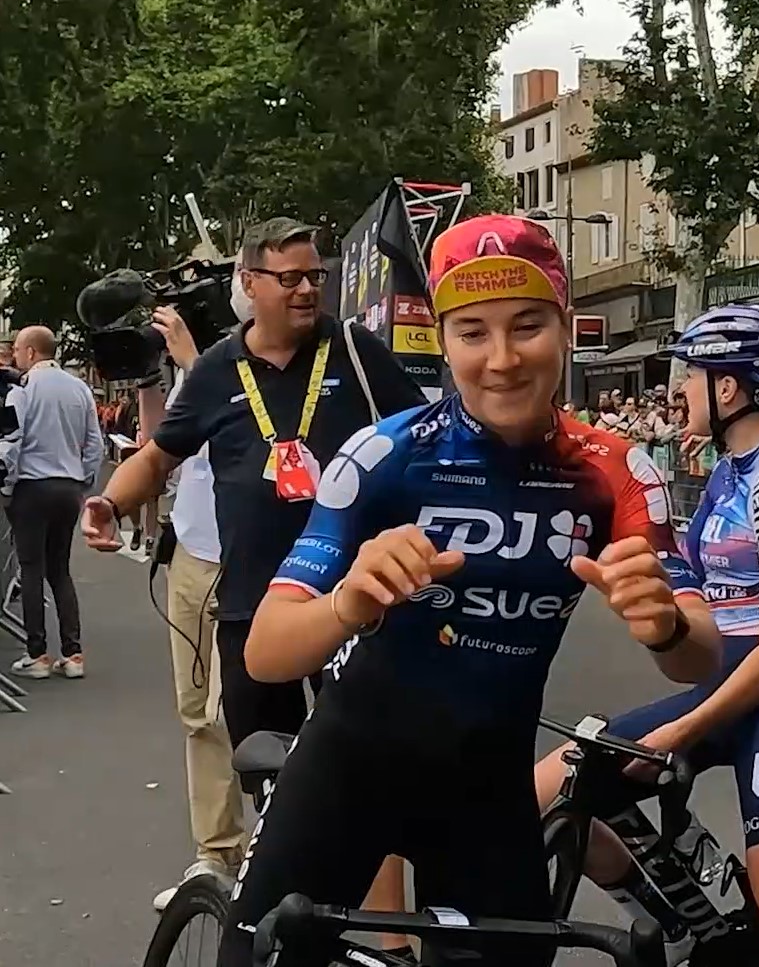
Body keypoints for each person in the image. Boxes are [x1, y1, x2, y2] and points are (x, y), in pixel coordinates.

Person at [212, 214, 710, 967]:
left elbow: (696, 660)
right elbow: (266, 653)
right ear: (444, 342)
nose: (503, 359)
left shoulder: (616, 470)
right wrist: (349, 601)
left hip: (487, 795)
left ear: (567, 328)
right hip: (347, 772)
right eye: (472, 331)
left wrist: (666, 623)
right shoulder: (382, 455)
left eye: (527, 326)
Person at [534, 305, 759, 967]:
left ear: (726, 388)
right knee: (561, 783)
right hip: (727, 680)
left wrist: (678, 734)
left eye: (691, 374)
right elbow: (693, 580)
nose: (679, 389)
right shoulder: (729, 467)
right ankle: (675, 919)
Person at [84, 217, 426, 744]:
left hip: (351, 601)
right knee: (265, 766)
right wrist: (110, 501)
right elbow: (157, 459)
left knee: (365, 763)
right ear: (249, 282)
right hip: (253, 607)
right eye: (290, 279)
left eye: (315, 276)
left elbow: (425, 439)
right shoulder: (218, 369)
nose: (308, 289)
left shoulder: (356, 352)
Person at [150, 302, 248, 912]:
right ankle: (215, 853)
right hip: (192, 554)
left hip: (245, 561)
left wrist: (193, 360)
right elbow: (156, 450)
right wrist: (151, 378)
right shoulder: (195, 378)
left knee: (228, 710)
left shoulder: (245, 372)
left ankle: (273, 849)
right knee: (195, 712)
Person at [6, 325, 103, 679]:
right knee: (59, 570)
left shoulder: (23, 389)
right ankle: (73, 653)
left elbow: (12, 440)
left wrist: (8, 485)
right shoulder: (80, 389)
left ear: (31, 352)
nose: (15, 356)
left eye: (17, 350)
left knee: (31, 569)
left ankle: (37, 654)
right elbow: (95, 443)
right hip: (68, 487)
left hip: (31, 486)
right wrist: (83, 479)